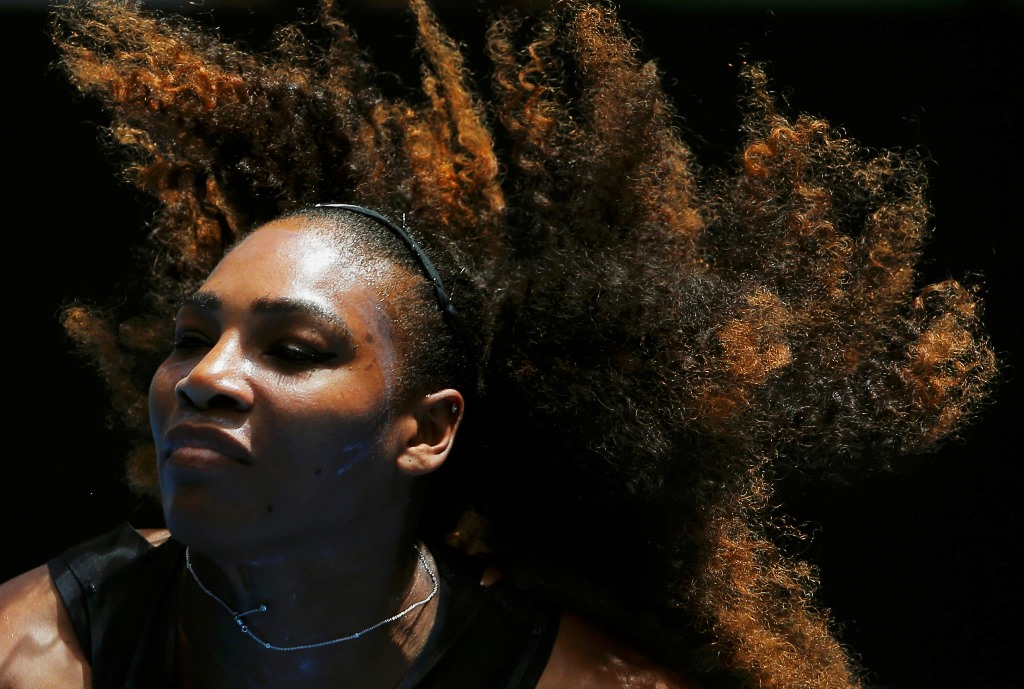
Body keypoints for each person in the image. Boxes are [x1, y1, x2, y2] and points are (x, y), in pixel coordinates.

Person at [0, 0, 998, 687]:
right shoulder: (43, 644)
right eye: (191, 336)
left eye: (294, 349)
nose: (203, 379)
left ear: (426, 430)